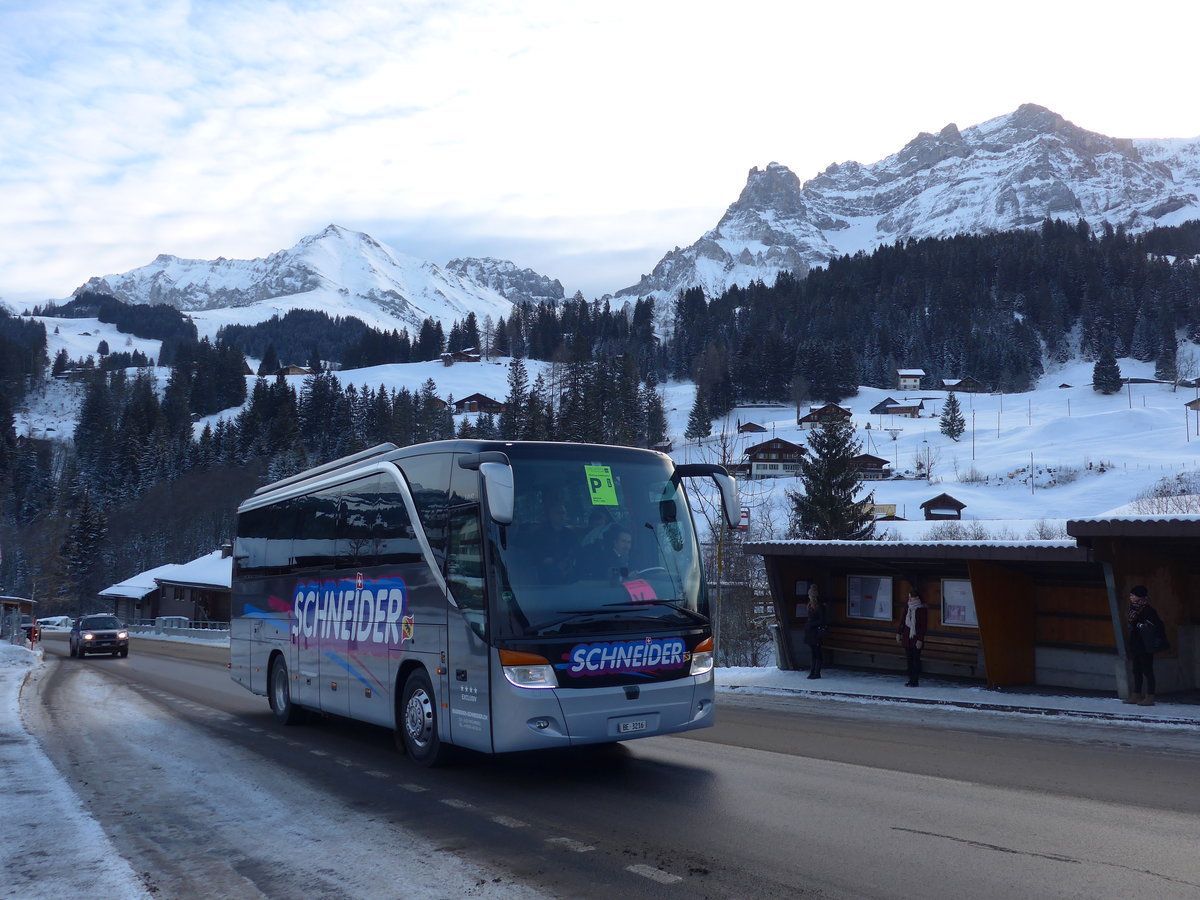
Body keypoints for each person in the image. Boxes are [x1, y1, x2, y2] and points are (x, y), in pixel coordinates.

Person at [1125, 585, 1166, 706]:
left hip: (1145, 645)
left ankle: (1150, 696)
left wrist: (1142, 626)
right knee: (1136, 670)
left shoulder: (1148, 611)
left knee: (1147, 670)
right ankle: (1136, 694)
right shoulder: (1133, 609)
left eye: (1133, 595)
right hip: (1136, 644)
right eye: (1131, 595)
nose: (1131, 597)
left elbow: (1156, 626)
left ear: (1140, 597)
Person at [529, 495, 579, 583]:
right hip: (545, 581)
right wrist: (556, 561)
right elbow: (541, 558)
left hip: (570, 577)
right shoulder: (539, 535)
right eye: (559, 513)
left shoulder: (571, 534)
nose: (562, 516)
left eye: (564, 513)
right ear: (551, 515)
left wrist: (567, 562)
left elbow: (575, 552)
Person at [896, 589, 928, 687]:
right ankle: (910, 679)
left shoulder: (921, 609)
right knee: (909, 660)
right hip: (907, 637)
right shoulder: (908, 608)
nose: (910, 599)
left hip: (915, 638)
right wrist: (899, 633)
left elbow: (923, 626)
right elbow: (902, 621)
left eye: (912, 597)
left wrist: (920, 639)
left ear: (917, 598)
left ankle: (915, 680)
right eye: (909, 597)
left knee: (915, 660)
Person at [803, 585, 827, 679]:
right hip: (811, 632)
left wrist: (811, 624)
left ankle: (816, 672)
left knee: (817, 653)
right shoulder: (810, 606)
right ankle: (813, 671)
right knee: (813, 653)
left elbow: (822, 620)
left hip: (816, 632)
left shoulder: (819, 607)